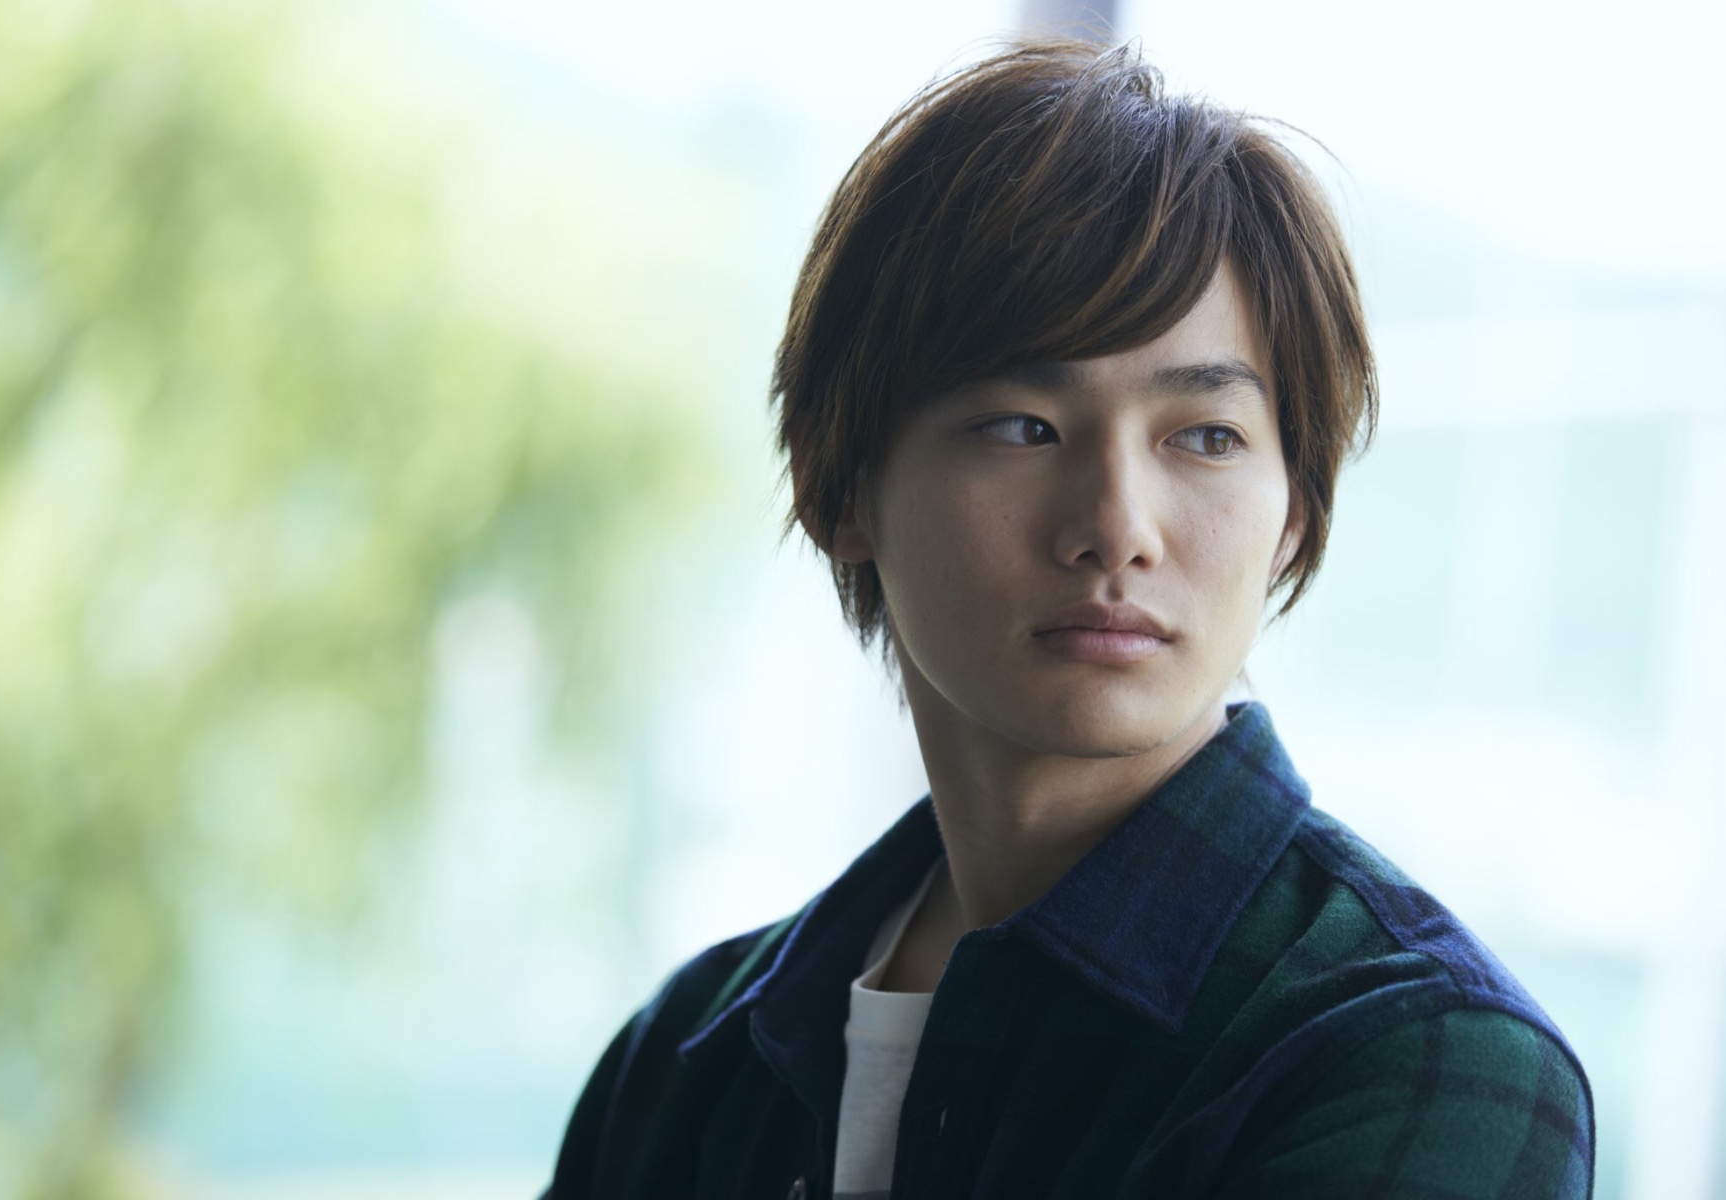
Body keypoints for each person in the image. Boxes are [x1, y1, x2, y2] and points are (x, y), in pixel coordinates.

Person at [544, 38, 1594, 1199]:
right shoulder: (686, 1065)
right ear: (839, 488)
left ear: (1293, 516)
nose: (1116, 528)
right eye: (1021, 426)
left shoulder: (1410, 1059)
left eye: (1206, 437)